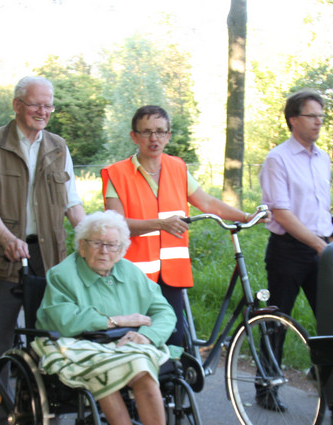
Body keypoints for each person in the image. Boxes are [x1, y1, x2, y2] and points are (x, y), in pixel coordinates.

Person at [34, 211, 197, 425]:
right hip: (78, 344)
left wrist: (147, 336)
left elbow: (164, 312)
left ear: (121, 250)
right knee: (106, 372)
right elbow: (62, 320)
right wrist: (116, 320)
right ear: (82, 245)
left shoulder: (130, 272)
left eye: (112, 245)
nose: (104, 251)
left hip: (128, 345)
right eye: (96, 243)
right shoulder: (62, 275)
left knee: (142, 367)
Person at [103, 105, 255, 346]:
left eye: (160, 132)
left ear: (168, 136)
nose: (154, 138)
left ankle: (174, 370)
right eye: (146, 132)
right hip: (133, 275)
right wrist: (160, 224)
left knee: (173, 336)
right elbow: (115, 224)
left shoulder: (177, 168)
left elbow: (207, 203)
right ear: (134, 136)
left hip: (172, 273)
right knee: (137, 338)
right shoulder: (117, 173)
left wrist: (246, 216)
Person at [0, 75, 85, 370]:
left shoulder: (58, 146)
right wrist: (7, 238)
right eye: (36, 105)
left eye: (49, 106)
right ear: (17, 105)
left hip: (47, 256)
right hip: (0, 256)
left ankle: (39, 399)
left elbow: (72, 202)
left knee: (49, 338)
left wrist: (91, 239)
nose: (43, 112)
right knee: (0, 342)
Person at [256, 88, 333, 411]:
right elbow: (283, 213)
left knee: (332, 319)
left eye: (321, 116)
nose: (318, 122)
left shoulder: (324, 158)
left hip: (321, 248)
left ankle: (330, 383)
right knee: (277, 321)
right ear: (293, 120)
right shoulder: (278, 159)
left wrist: (328, 244)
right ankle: (266, 387)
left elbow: (321, 209)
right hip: (289, 250)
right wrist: (318, 244)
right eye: (311, 115)